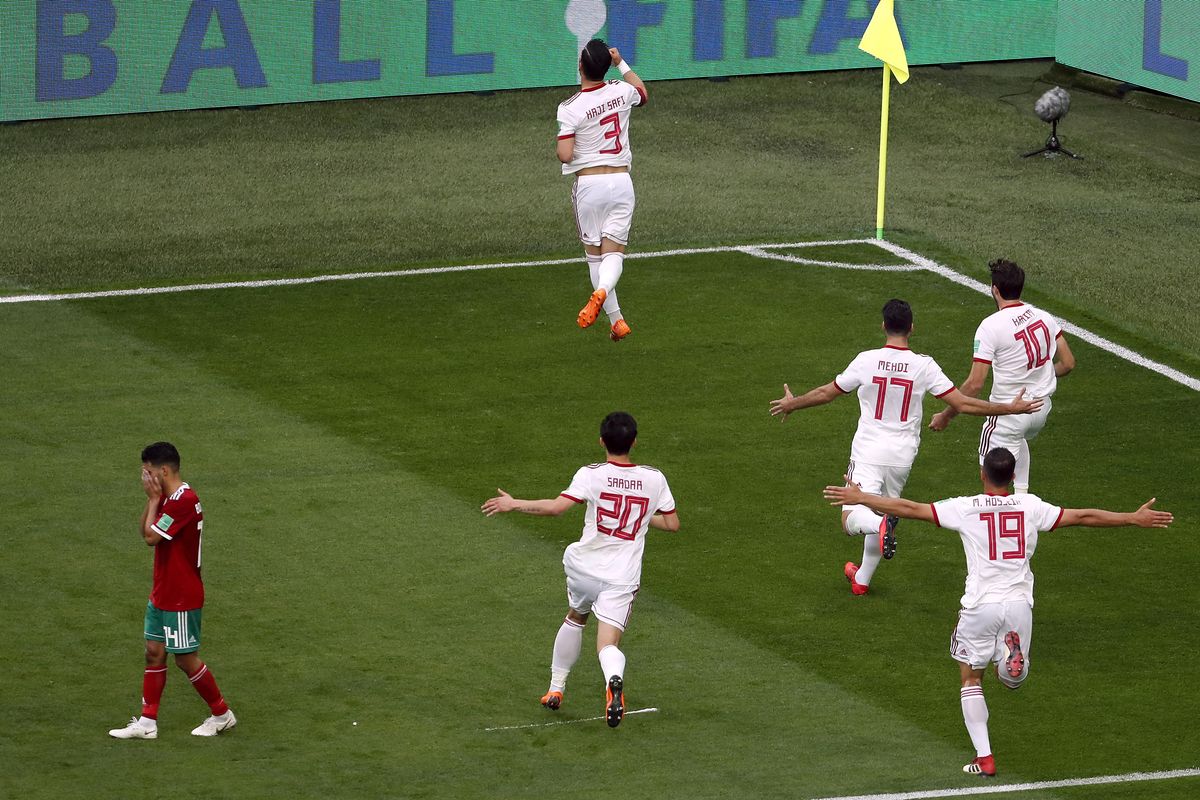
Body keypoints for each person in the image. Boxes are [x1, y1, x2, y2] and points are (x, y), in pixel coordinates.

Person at [823, 447, 1172, 777]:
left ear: (982, 474)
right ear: (1014, 474)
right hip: (1020, 605)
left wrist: (862, 498)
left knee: (971, 677)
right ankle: (1011, 660)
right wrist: (1132, 517)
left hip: (981, 604)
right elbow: (1082, 516)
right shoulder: (1031, 505)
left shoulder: (966, 507)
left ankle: (985, 757)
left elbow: (911, 508)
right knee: (1008, 680)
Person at [769, 299, 1042, 595]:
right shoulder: (924, 365)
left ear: (884, 325)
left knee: (852, 519)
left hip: (868, 451)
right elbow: (962, 403)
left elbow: (826, 393)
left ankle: (878, 525)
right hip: (902, 456)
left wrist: (793, 404)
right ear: (911, 328)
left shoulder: (866, 360)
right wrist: (1010, 408)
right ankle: (862, 580)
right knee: (882, 507)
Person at [481, 412, 677, 727]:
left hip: (584, 568)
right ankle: (613, 680)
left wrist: (514, 504)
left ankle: (555, 690)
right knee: (607, 645)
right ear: (634, 441)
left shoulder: (592, 473)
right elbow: (672, 524)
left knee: (576, 616)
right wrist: (638, 520)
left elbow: (557, 508)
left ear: (602, 441)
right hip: (621, 577)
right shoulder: (655, 478)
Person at [109, 442, 235, 739]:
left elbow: (152, 538)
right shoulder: (168, 498)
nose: (145, 478)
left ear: (163, 470)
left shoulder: (182, 501)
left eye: (148, 472)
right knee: (154, 652)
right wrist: (152, 501)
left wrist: (154, 501)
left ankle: (222, 714)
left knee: (185, 659)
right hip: (163, 591)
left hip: (181, 595)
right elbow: (145, 532)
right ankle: (147, 722)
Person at [929, 259, 1075, 494]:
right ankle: (1023, 497)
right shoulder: (1044, 317)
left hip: (1010, 413)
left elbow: (975, 384)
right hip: (1041, 410)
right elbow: (1068, 364)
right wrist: (1040, 377)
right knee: (1019, 440)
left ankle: (1008, 522)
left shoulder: (990, 326)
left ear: (995, 289)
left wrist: (947, 415)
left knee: (991, 482)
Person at [556, 39, 649, 342]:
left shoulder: (570, 108)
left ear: (580, 67)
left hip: (589, 187)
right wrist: (621, 62)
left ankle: (608, 303)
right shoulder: (621, 91)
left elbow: (565, 154)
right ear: (606, 66)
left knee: (596, 258)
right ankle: (616, 320)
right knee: (614, 254)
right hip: (622, 183)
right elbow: (642, 91)